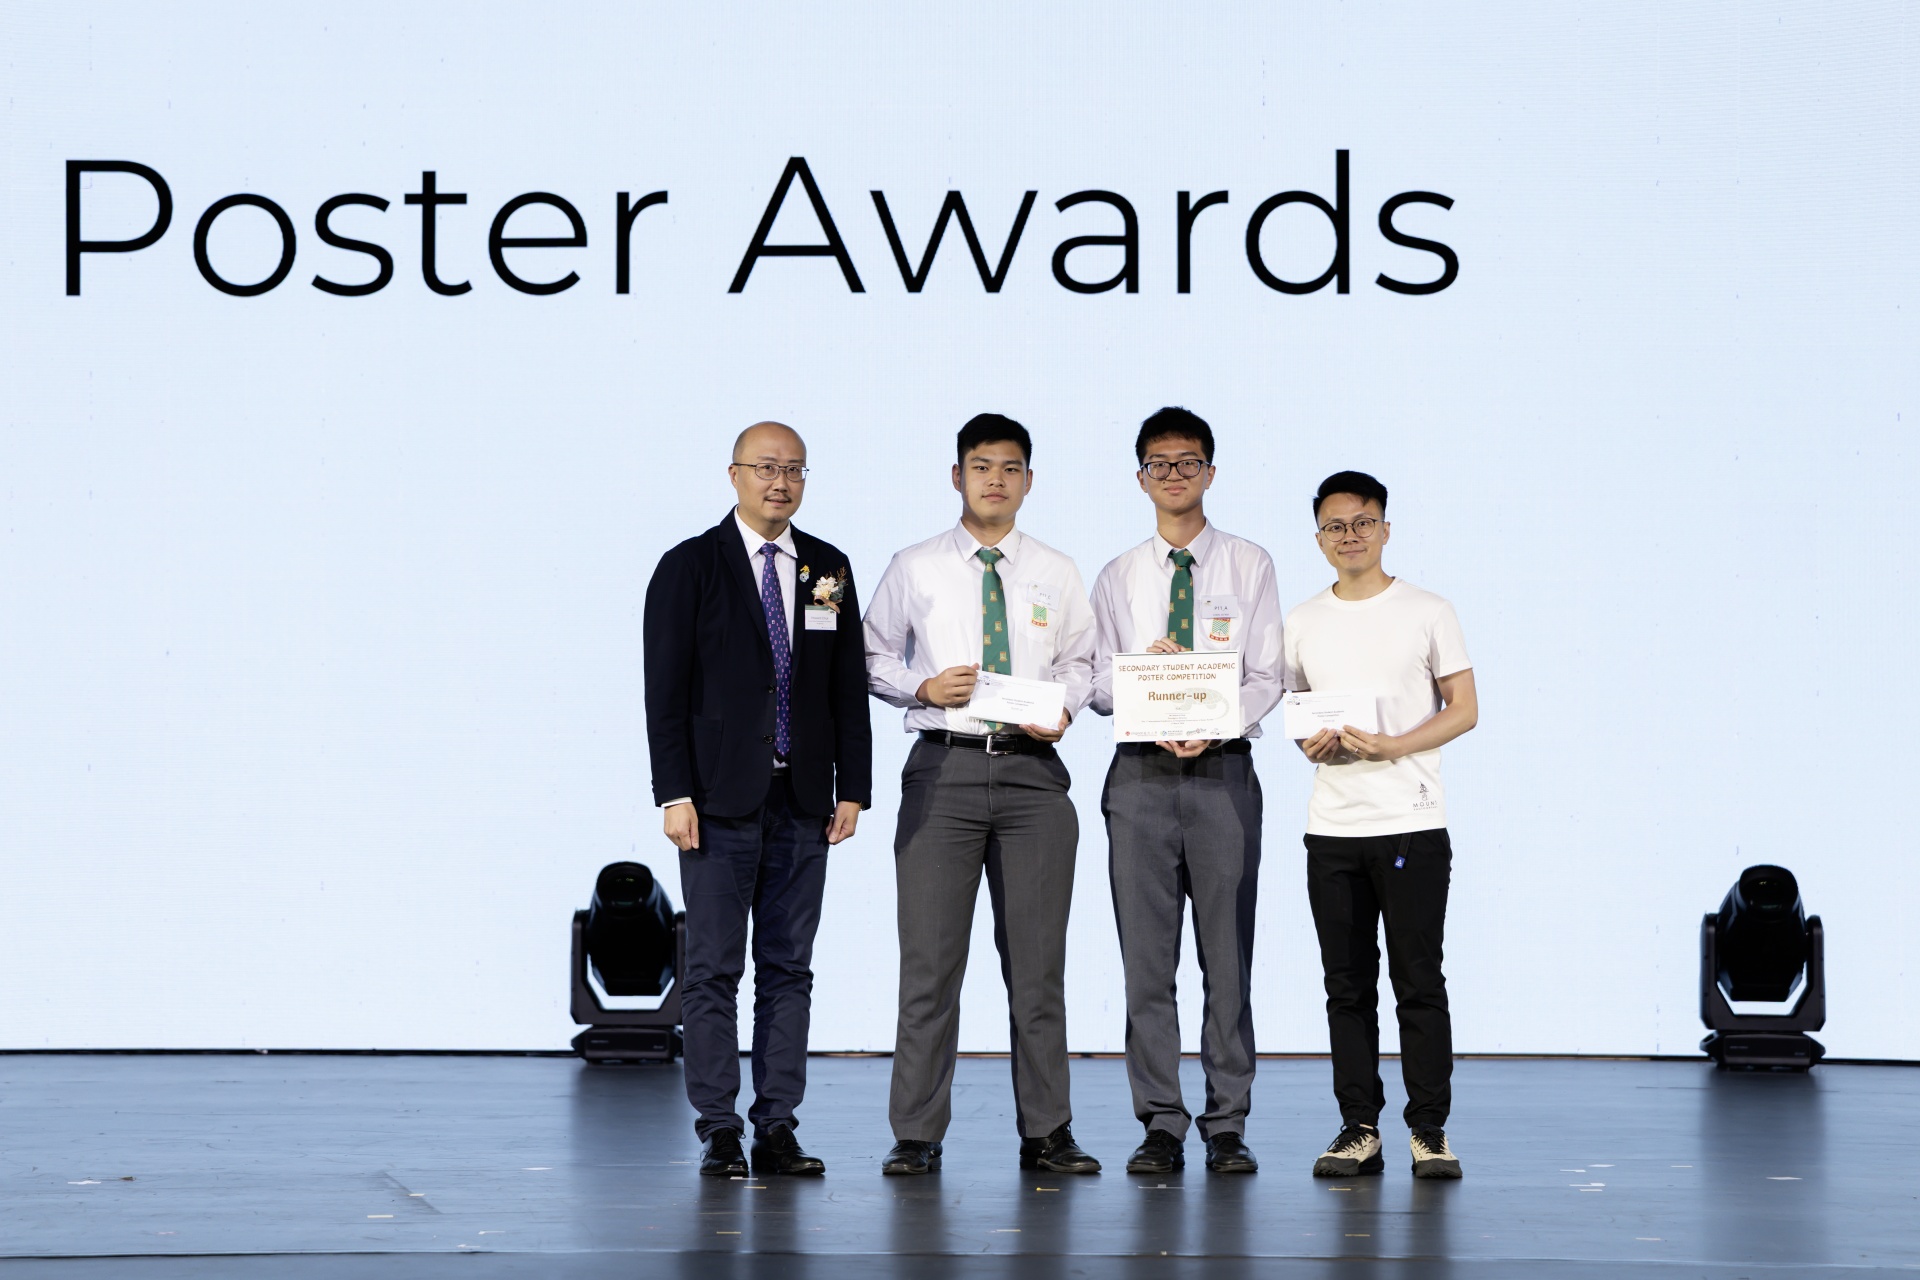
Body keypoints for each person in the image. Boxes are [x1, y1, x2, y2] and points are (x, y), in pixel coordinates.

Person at [862, 413, 1101, 1176]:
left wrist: (1066, 706)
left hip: (1034, 777)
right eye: (981, 466)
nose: (995, 479)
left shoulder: (1056, 569)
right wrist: (921, 686)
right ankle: (915, 1133)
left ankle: (1048, 1131)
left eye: (1010, 467)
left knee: (1038, 969)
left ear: (1029, 480)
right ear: (956, 476)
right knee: (929, 965)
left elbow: (1084, 662)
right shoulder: (915, 565)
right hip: (945, 771)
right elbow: (869, 655)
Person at [643, 421, 872, 1178]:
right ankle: (718, 1127)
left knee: (789, 969)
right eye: (767, 468)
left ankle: (776, 1125)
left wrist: (853, 786)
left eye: (795, 470)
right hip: (715, 802)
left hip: (804, 800)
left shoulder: (827, 567)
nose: (781, 482)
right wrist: (674, 793)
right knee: (713, 970)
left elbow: (845, 686)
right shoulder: (690, 565)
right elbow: (664, 693)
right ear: (734, 474)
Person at [1087, 407, 1284, 1175]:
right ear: (1141, 477)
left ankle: (1226, 1122)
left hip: (1221, 772)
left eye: (1188, 462)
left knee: (1227, 957)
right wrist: (1145, 675)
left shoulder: (1249, 564)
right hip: (1140, 775)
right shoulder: (1118, 575)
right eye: (1159, 464)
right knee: (1147, 961)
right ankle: (1161, 1122)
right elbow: (1097, 683)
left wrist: (1214, 717)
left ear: (1211, 471)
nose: (1174, 474)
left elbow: (1268, 674)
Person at [1283, 470, 1478, 1180]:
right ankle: (1358, 1127)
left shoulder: (1428, 610)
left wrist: (1394, 745)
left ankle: (1429, 1130)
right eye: (1335, 526)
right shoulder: (1302, 620)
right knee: (1346, 985)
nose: (1350, 536)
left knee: (1418, 980)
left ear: (1386, 529)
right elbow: (1298, 712)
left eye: (1363, 522)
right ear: (1319, 539)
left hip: (1410, 823)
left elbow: (1464, 708)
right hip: (1332, 828)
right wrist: (1311, 743)